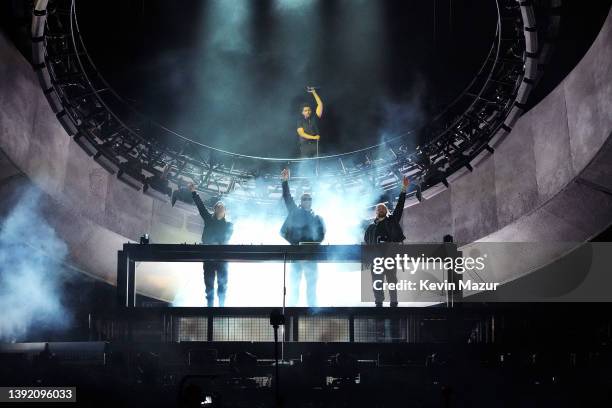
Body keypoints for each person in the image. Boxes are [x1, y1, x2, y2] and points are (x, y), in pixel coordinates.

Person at [280, 168, 326, 306]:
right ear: (301, 201)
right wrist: (284, 181)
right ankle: (292, 311)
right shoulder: (295, 212)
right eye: (305, 198)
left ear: (311, 201)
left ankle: (312, 312)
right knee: (294, 285)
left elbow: (322, 233)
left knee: (312, 285)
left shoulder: (317, 218)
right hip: (297, 253)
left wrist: (314, 244)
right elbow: (287, 198)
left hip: (311, 254)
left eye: (309, 199)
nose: (307, 200)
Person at [364, 176, 410, 307]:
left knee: (391, 280)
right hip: (376, 259)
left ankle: (394, 303)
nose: (380, 209)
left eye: (383, 208)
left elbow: (400, 207)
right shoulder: (371, 228)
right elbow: (367, 243)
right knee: (377, 282)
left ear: (386, 211)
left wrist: (404, 189)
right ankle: (379, 304)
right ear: (376, 212)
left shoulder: (392, 221)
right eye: (378, 208)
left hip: (389, 256)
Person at [188, 182, 233, 307]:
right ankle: (210, 307)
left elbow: (227, 238)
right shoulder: (208, 218)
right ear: (215, 209)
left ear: (225, 211)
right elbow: (200, 206)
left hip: (222, 258)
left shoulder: (229, 225)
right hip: (208, 256)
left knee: (222, 284)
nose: (220, 208)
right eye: (218, 207)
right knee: (209, 283)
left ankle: (222, 307)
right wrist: (193, 192)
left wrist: (217, 243)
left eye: (222, 207)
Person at [296, 87, 323, 159]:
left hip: (315, 145)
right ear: (302, 112)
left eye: (309, 110)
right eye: (305, 110)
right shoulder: (300, 121)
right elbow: (301, 133)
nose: (307, 112)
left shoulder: (314, 118)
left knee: (317, 163)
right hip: (305, 146)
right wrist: (314, 137)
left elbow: (320, 104)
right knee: (306, 165)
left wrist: (314, 93)